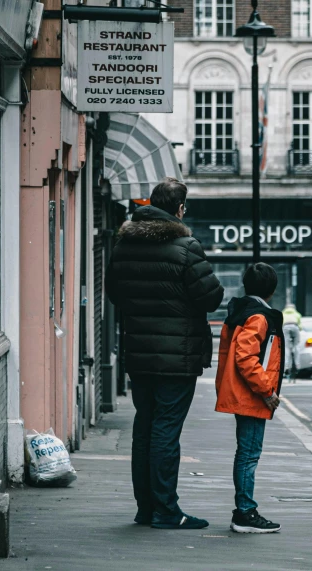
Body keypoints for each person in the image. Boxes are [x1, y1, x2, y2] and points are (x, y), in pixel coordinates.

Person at [106, 177, 224, 529]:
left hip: (140, 353)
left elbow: (113, 292)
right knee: (165, 431)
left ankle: (146, 508)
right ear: (179, 209)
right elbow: (211, 297)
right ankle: (166, 511)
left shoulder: (123, 245)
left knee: (144, 427)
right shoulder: (186, 246)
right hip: (177, 356)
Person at [215, 263, 284, 534]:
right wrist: (267, 391)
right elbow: (246, 358)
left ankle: (244, 510)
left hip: (243, 393)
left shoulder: (242, 311)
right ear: (272, 289)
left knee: (246, 453)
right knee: (249, 454)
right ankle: (245, 512)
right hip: (252, 396)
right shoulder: (259, 317)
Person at [282, 303, 302, 382]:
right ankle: (297, 364)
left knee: (286, 347)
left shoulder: (283, 313)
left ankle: (286, 366)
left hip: (285, 327)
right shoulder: (297, 314)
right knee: (296, 345)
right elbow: (300, 326)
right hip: (295, 326)